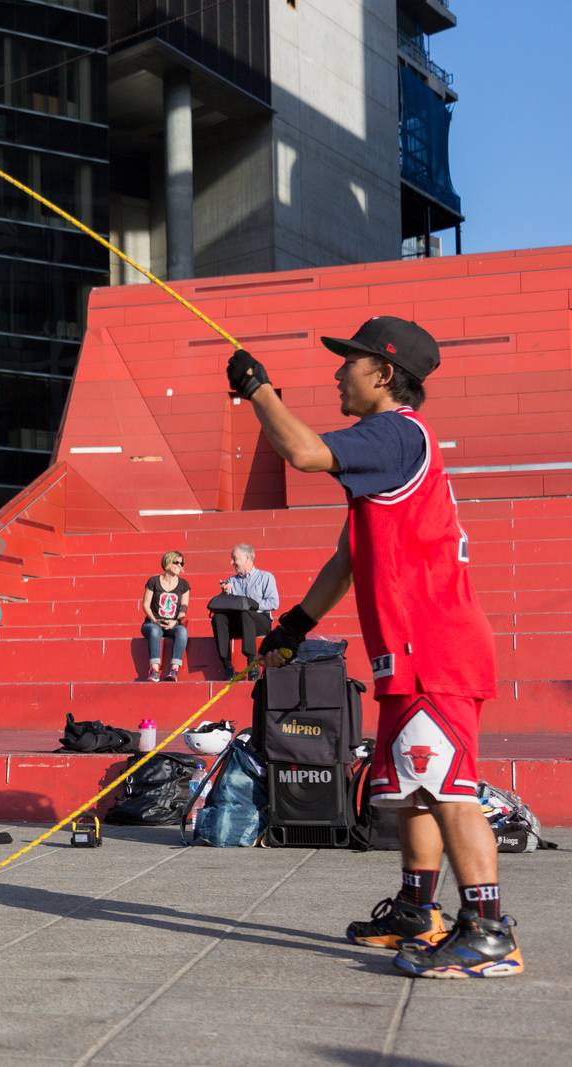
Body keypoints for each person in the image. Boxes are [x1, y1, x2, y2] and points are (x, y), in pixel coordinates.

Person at [233, 315, 522, 979]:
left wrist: (258, 390)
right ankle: (419, 912)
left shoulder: (394, 433)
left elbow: (302, 452)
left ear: (384, 374)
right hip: (408, 650)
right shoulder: (390, 449)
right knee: (416, 789)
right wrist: (293, 628)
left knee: (449, 788)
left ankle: (489, 931)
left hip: (436, 648)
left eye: (349, 362)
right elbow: (348, 559)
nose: (339, 372)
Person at [209, 543, 278, 679]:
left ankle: (252, 663)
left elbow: (274, 603)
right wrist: (226, 595)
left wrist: (252, 605)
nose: (232, 562)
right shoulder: (231, 581)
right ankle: (227, 665)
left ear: (247, 558)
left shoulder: (265, 577)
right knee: (218, 618)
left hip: (260, 621)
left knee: (245, 612)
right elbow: (227, 608)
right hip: (239, 623)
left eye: (234, 559)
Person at [140, 551, 190, 682]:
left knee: (182, 631)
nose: (180, 566)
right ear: (167, 563)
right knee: (155, 630)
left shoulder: (184, 585)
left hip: (172, 624)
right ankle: (154, 670)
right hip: (152, 622)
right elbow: (145, 604)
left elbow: (184, 607)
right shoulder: (154, 581)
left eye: (182, 563)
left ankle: (174, 670)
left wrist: (176, 621)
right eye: (176, 562)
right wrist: (154, 620)